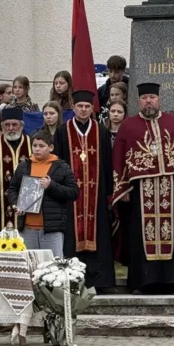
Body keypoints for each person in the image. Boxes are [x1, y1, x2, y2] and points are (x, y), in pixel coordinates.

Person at [111, 82, 174, 293]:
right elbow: (118, 159)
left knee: (173, 233)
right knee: (140, 235)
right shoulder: (128, 126)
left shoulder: (173, 123)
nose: (148, 101)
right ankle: (142, 282)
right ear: (138, 101)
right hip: (139, 191)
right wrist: (121, 189)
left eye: (152, 97)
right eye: (144, 98)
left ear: (159, 99)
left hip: (171, 189)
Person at [52, 90, 114, 290]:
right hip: (72, 198)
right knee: (71, 235)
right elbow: (58, 164)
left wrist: (109, 193)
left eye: (87, 107)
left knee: (100, 235)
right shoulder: (63, 131)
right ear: (74, 107)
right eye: (80, 106)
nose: (84, 110)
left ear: (92, 108)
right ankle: (71, 281)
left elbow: (108, 163)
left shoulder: (101, 131)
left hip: (97, 197)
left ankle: (101, 281)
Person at [7, 128, 78, 257]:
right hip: (27, 229)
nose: (37, 149)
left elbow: (73, 192)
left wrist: (51, 186)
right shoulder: (23, 166)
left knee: (54, 267)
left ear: (51, 147)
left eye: (41, 146)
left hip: (51, 230)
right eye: (34, 146)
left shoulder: (61, 167)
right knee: (29, 266)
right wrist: (16, 205)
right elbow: (12, 189)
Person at [0, 107, 32, 234]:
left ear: (21, 125)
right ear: (2, 126)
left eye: (14, 125)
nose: (10, 128)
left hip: (27, 202)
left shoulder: (31, 144)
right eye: (7, 125)